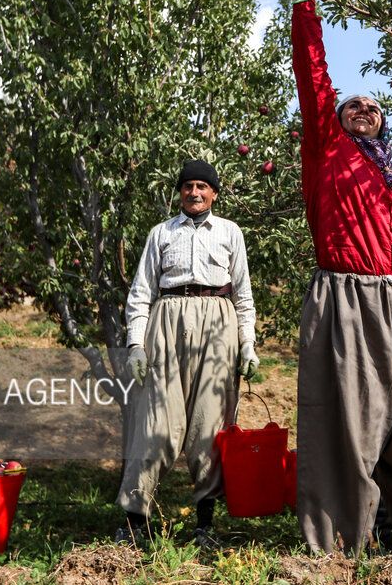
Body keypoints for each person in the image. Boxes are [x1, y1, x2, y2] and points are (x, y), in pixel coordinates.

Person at [276, 0, 392, 554]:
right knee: (349, 420)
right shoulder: (327, 148)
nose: (364, 110)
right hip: (345, 295)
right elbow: (313, 75)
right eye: (354, 104)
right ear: (338, 118)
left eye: (374, 107)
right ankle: (339, 542)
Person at [115, 160, 257, 548]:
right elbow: (141, 293)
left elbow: (243, 295)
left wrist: (247, 342)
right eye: (188, 186)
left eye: (202, 186)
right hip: (166, 323)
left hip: (218, 325)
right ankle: (134, 523)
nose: (194, 192)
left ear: (214, 193)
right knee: (155, 423)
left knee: (210, 426)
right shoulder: (161, 233)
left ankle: (205, 527)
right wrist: (136, 345)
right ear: (179, 192)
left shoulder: (229, 232)